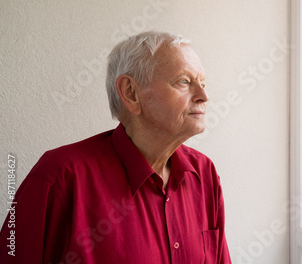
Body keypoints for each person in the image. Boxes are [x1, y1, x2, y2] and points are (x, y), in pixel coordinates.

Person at [0, 31, 232, 263]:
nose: (204, 96)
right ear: (131, 93)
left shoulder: (204, 173)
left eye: (202, 83)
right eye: (184, 81)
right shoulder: (60, 176)